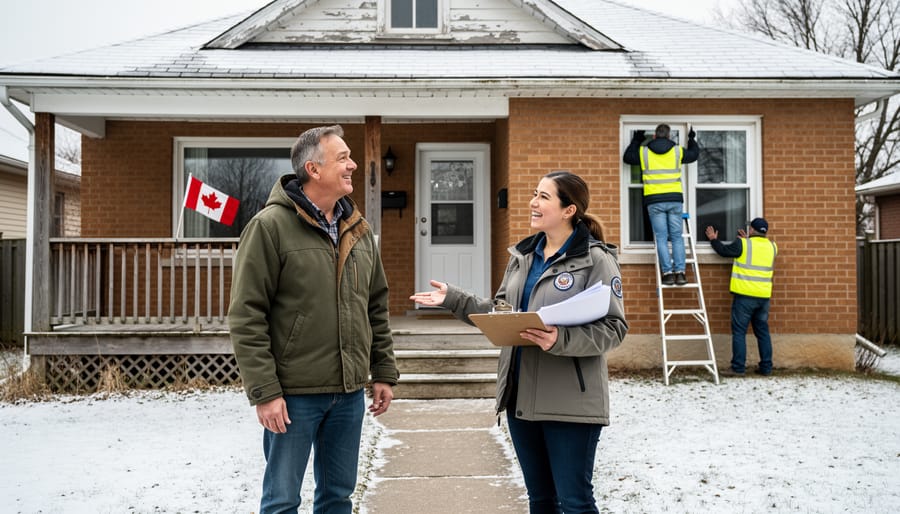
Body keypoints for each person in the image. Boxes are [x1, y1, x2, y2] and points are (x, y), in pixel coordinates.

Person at [410, 171, 628, 513]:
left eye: (543, 196)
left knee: (575, 502)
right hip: (521, 400)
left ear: (569, 210)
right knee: (540, 501)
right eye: (534, 194)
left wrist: (561, 337)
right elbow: (502, 313)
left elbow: (614, 328)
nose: (533, 202)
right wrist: (454, 299)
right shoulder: (522, 257)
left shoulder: (596, 260)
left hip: (571, 403)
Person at [228, 124, 399, 514]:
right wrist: (265, 392)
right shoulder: (269, 228)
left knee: (337, 498)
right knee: (282, 501)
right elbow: (246, 315)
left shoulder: (358, 231)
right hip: (293, 396)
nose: (353, 164)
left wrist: (383, 371)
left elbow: (375, 305)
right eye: (343, 158)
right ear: (313, 169)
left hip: (349, 393)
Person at [623, 124, 699, 286]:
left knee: (662, 238)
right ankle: (680, 273)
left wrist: (637, 139)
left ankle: (668, 274)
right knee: (677, 237)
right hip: (674, 200)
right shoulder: (677, 151)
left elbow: (628, 157)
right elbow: (693, 155)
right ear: (669, 136)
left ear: (655, 136)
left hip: (654, 200)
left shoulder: (644, 153)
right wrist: (691, 139)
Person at [705, 218, 778, 377]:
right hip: (764, 297)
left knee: (739, 332)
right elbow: (757, 255)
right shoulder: (773, 247)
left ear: (751, 230)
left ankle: (738, 368)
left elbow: (724, 251)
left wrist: (713, 239)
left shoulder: (743, 244)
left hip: (745, 296)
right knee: (763, 332)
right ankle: (766, 367)